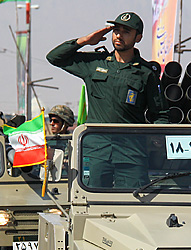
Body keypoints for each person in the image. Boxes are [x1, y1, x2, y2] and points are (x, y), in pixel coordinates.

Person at [46, 12, 168, 187]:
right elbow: (54, 57)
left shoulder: (146, 73)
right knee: (93, 199)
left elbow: (160, 114)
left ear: (138, 37)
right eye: (116, 30)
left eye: (126, 32)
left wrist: (156, 138)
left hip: (131, 153)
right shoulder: (95, 63)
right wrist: (85, 41)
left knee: (134, 199)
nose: (119, 35)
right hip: (97, 151)